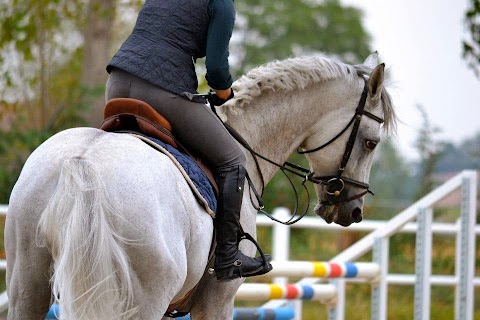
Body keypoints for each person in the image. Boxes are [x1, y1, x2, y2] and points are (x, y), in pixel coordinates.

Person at [105, 0, 272, 281]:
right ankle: (228, 255)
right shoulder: (221, 4)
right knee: (233, 159)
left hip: (118, 82)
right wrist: (223, 94)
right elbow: (217, 70)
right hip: (161, 88)